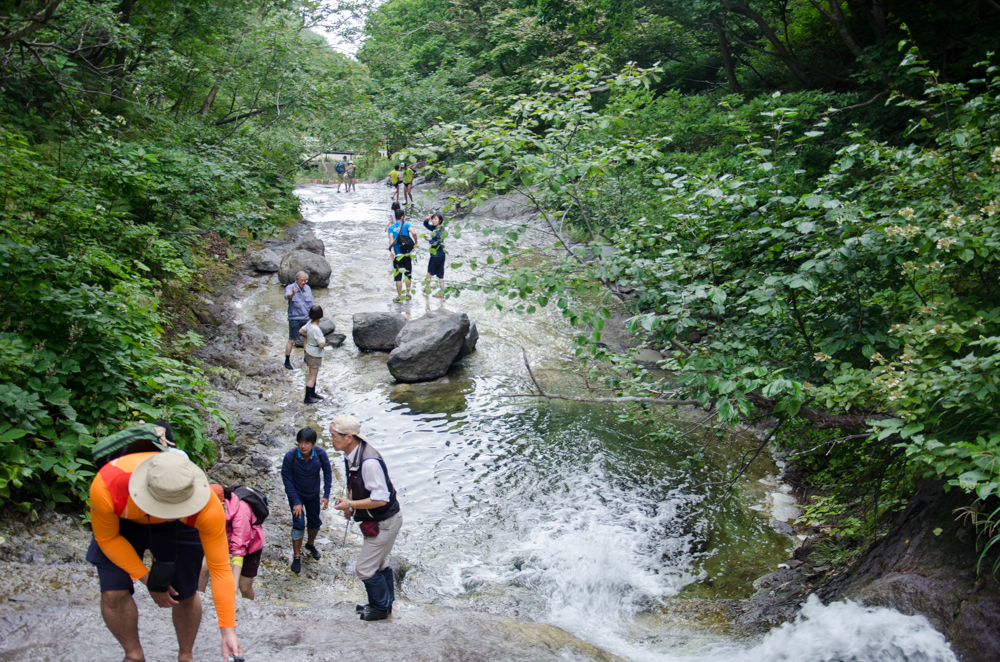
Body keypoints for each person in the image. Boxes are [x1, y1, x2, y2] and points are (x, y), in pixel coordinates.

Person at [86, 451, 243, 662]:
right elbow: (107, 539)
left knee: (185, 593)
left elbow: (220, 568)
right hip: (124, 520)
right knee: (113, 591)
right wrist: (148, 579)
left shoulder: (206, 505)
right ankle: (134, 655)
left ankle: (185, 656)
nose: (170, 514)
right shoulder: (107, 485)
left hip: (182, 527)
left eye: (177, 509)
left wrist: (228, 630)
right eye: (165, 509)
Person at [330, 414, 402, 621]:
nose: (331, 440)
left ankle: (380, 608)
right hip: (380, 520)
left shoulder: (369, 462)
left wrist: (350, 504)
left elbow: (380, 499)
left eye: (334, 436)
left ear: (349, 437)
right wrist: (350, 505)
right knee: (380, 563)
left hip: (385, 521)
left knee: (364, 569)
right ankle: (383, 603)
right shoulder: (353, 453)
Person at [198, 484, 266, 600]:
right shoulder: (208, 510)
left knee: (244, 586)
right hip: (224, 539)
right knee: (203, 567)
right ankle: (199, 600)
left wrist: (232, 589)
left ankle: (251, 607)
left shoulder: (241, 512)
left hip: (250, 544)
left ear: (222, 505)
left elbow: (238, 551)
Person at [281, 427, 332, 574]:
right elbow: (287, 479)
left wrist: (326, 495)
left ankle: (310, 544)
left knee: (315, 522)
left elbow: (328, 473)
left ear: (313, 444)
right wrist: (296, 502)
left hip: (313, 494)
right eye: (301, 442)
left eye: (307, 443)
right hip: (296, 494)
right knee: (298, 524)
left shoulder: (320, 454)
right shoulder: (290, 456)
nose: (303, 446)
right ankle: (296, 555)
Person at [388, 208, 418, 303]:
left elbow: (391, 240)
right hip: (406, 254)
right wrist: (415, 242)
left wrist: (392, 251)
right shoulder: (407, 224)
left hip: (397, 255)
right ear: (402, 216)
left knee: (398, 277)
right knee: (408, 274)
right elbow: (414, 232)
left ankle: (399, 297)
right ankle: (408, 294)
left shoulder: (391, 228)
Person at [284, 271, 313, 370]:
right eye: (302, 280)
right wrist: (292, 294)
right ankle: (287, 360)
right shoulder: (290, 287)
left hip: (306, 318)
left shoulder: (308, 288)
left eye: (305, 280)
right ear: (296, 280)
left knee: (306, 338)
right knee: (292, 340)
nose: (304, 282)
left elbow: (311, 304)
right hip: (295, 318)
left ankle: (306, 358)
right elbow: (287, 296)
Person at [299, 304, 326, 404]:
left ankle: (313, 393)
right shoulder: (316, 330)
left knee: (313, 374)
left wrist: (309, 336)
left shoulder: (309, 323)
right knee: (312, 377)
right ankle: (307, 398)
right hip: (314, 354)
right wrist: (324, 339)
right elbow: (321, 344)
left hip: (309, 351)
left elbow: (301, 331)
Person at [422, 212, 446, 298]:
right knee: (440, 274)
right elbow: (426, 225)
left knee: (429, 272)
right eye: (433, 219)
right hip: (442, 254)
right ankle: (442, 292)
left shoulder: (438, 231)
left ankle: (426, 288)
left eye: (435, 219)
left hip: (436, 255)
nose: (433, 221)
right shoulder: (438, 228)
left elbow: (438, 243)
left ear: (440, 220)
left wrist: (429, 240)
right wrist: (427, 219)